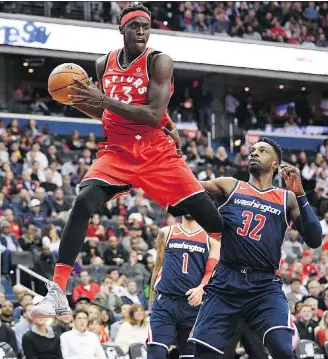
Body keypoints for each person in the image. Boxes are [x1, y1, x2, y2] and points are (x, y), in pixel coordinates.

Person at [32, 3, 225, 320]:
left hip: (155, 150)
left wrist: (105, 101)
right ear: (121, 28)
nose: (141, 31)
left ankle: (235, 276)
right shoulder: (102, 63)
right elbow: (106, 111)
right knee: (83, 202)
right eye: (134, 25)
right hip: (117, 150)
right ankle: (56, 293)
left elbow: (150, 114)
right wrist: (83, 102)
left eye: (146, 26)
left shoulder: (159, 61)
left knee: (214, 222)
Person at [175, 137, 322, 359]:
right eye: (252, 150)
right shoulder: (230, 186)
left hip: (264, 286)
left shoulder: (285, 198)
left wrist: (302, 195)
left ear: (276, 164)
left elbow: (315, 239)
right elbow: (189, 187)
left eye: (262, 151)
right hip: (226, 284)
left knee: (281, 348)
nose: (254, 153)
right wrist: (173, 157)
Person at [140, 215, 219, 359]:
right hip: (165, 304)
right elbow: (157, 266)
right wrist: (150, 301)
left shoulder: (210, 239)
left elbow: (212, 271)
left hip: (192, 308)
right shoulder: (166, 233)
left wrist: (202, 288)